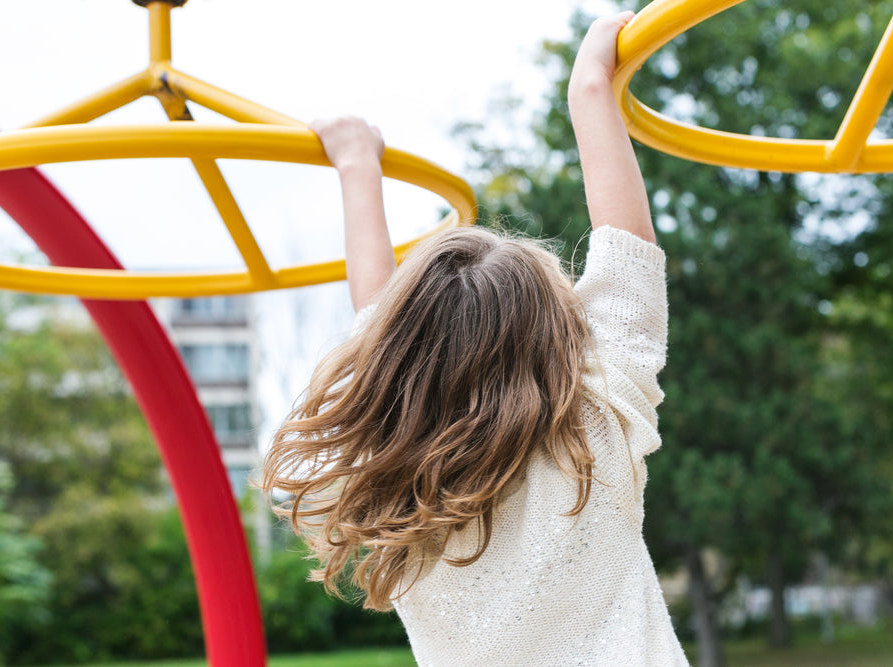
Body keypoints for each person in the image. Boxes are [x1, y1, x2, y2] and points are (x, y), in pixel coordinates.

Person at [262, 11, 689, 666]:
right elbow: (627, 251)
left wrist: (356, 165)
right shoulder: (596, 430)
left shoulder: (399, 483)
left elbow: (375, 313)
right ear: (559, 333)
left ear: (392, 361)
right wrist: (588, 90)